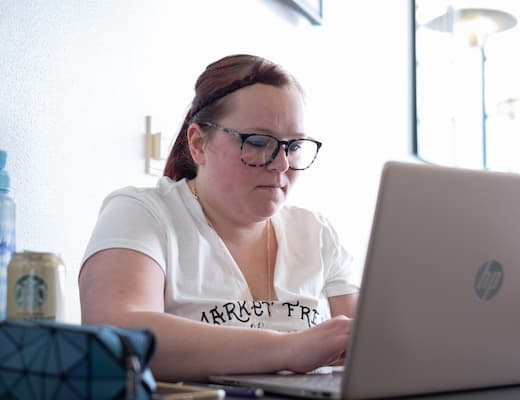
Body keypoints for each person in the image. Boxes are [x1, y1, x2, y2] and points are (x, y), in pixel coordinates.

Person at [78, 54, 359, 381]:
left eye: (293, 146)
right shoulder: (143, 213)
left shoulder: (316, 233)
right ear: (199, 143)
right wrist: (287, 349)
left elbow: (370, 349)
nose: (281, 164)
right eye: (257, 142)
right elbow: (113, 334)